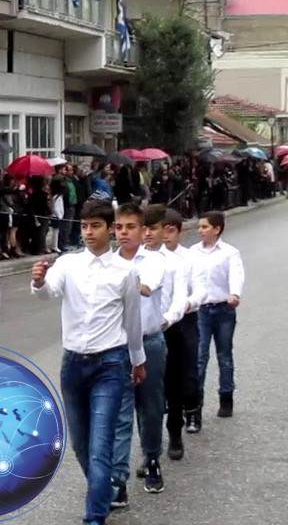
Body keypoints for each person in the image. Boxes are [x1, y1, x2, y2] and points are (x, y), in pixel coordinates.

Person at [31, 199, 145, 525]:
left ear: (110, 229)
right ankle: (104, 488)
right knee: (80, 443)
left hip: (110, 364)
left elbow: (132, 321)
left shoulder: (125, 272)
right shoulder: (68, 264)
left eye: (96, 226)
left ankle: (94, 516)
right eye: (84, 226)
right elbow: (48, 292)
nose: (89, 232)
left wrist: (137, 360)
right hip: (73, 364)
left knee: (100, 444)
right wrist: (39, 281)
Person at [110, 203, 168, 504]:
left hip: (149, 341)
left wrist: (126, 283)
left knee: (150, 406)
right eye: (119, 227)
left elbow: (147, 287)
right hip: (117, 346)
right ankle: (117, 479)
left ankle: (152, 457)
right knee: (119, 413)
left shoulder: (154, 260)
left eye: (130, 227)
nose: (124, 233)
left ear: (143, 230)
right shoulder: (106, 263)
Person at [142, 205, 191, 462]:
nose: (148, 234)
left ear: (164, 230)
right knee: (145, 395)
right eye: (144, 228)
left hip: (169, 330)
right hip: (142, 335)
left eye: (153, 228)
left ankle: (175, 432)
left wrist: (168, 319)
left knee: (173, 386)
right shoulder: (133, 259)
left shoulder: (174, 263)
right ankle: (149, 450)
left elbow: (180, 298)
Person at [188, 210, 244, 422]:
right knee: (199, 357)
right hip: (201, 310)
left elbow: (236, 274)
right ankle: (196, 403)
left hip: (223, 309)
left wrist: (235, 293)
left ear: (217, 229)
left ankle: (226, 396)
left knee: (224, 355)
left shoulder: (229, 253)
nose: (200, 230)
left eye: (204, 227)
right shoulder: (193, 252)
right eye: (200, 226)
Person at [159, 209, 203, 434]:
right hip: (161, 322)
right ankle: (170, 403)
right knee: (165, 369)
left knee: (189, 367)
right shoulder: (152, 258)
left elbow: (201, 290)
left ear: (180, 232)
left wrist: (186, 303)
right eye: (162, 231)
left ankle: (193, 408)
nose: (166, 236)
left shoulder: (190, 258)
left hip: (186, 318)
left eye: (170, 231)